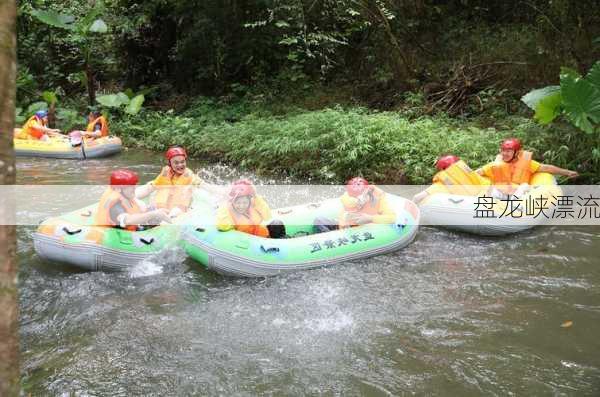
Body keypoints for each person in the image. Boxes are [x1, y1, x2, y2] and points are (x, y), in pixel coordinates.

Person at [135, 146, 222, 218]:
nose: (180, 165)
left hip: (178, 208)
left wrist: (224, 194)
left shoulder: (189, 175)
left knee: (175, 212)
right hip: (160, 207)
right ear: (170, 163)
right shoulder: (165, 173)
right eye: (176, 163)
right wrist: (132, 197)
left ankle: (168, 218)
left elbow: (205, 186)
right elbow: (150, 188)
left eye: (182, 162)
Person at [476, 138, 578, 197]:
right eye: (503, 150)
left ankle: (515, 210)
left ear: (516, 153)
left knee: (525, 186)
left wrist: (567, 172)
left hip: (518, 194)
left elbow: (546, 168)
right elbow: (477, 173)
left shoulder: (527, 163)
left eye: (508, 151)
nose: (504, 154)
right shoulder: (496, 164)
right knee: (490, 189)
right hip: (500, 194)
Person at [95, 169, 171, 231]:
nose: (134, 187)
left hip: (130, 228)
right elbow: (127, 220)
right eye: (130, 186)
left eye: (134, 184)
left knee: (151, 208)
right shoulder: (116, 206)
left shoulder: (123, 194)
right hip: (121, 239)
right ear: (118, 188)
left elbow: (140, 195)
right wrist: (154, 214)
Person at [314, 177, 396, 233]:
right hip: (346, 228)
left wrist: (370, 218)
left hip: (368, 228)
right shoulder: (348, 195)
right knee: (319, 220)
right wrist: (357, 201)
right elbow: (347, 201)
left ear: (367, 191)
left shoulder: (379, 197)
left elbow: (392, 218)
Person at [216, 179, 286, 238]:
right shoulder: (228, 210)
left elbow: (267, 216)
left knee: (277, 224)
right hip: (246, 242)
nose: (241, 206)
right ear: (233, 202)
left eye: (244, 202)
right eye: (238, 203)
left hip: (262, 237)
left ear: (249, 201)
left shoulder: (254, 203)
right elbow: (223, 226)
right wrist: (224, 206)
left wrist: (255, 196)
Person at [413, 155, 489, 204]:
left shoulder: (443, 182)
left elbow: (417, 197)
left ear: (442, 169)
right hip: (487, 200)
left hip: (470, 206)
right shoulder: (473, 175)